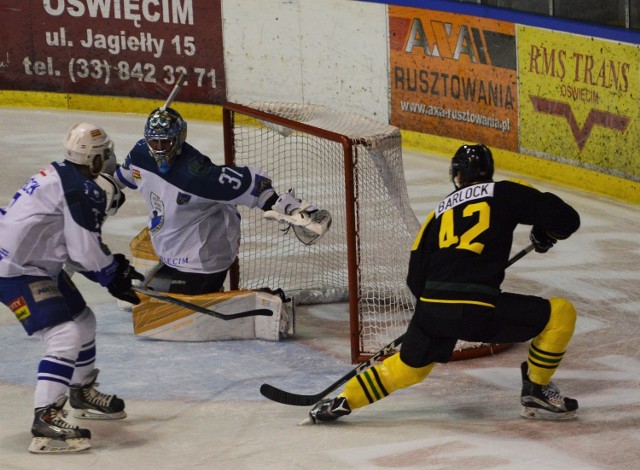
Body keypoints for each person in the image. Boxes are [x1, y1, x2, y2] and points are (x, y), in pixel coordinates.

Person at [307, 143, 581, 423]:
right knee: (561, 313)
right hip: (478, 311)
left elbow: (415, 279)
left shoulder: (437, 213)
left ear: (458, 176)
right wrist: (546, 232)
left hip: (432, 310)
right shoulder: (507, 191)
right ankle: (536, 387)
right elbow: (567, 219)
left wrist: (435, 315)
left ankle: (343, 401)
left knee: (409, 367)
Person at [0, 123, 144, 453]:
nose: (109, 160)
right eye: (105, 155)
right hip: (17, 271)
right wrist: (111, 273)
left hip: (33, 262)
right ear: (94, 159)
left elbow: (68, 245)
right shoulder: (84, 189)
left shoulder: (61, 172)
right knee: (64, 335)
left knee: (83, 320)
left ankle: (80, 391)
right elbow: (82, 252)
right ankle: (46, 419)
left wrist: (112, 271)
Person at [114, 106, 330, 295]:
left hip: (202, 261)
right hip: (171, 247)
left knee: (159, 304)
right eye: (155, 142)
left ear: (180, 138)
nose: (160, 149)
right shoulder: (140, 154)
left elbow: (255, 185)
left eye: (166, 142)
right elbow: (121, 178)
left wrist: (290, 208)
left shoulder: (198, 175)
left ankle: (227, 294)